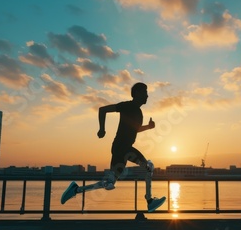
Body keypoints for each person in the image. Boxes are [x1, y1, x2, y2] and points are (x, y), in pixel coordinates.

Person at [61, 82, 166, 212]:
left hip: (119, 149)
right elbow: (102, 110)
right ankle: (150, 201)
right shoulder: (127, 106)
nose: (147, 96)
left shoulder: (139, 113)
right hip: (123, 148)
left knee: (110, 183)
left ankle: (76, 189)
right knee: (149, 166)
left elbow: (135, 129)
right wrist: (102, 129)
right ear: (137, 93)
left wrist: (148, 127)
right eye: (145, 92)